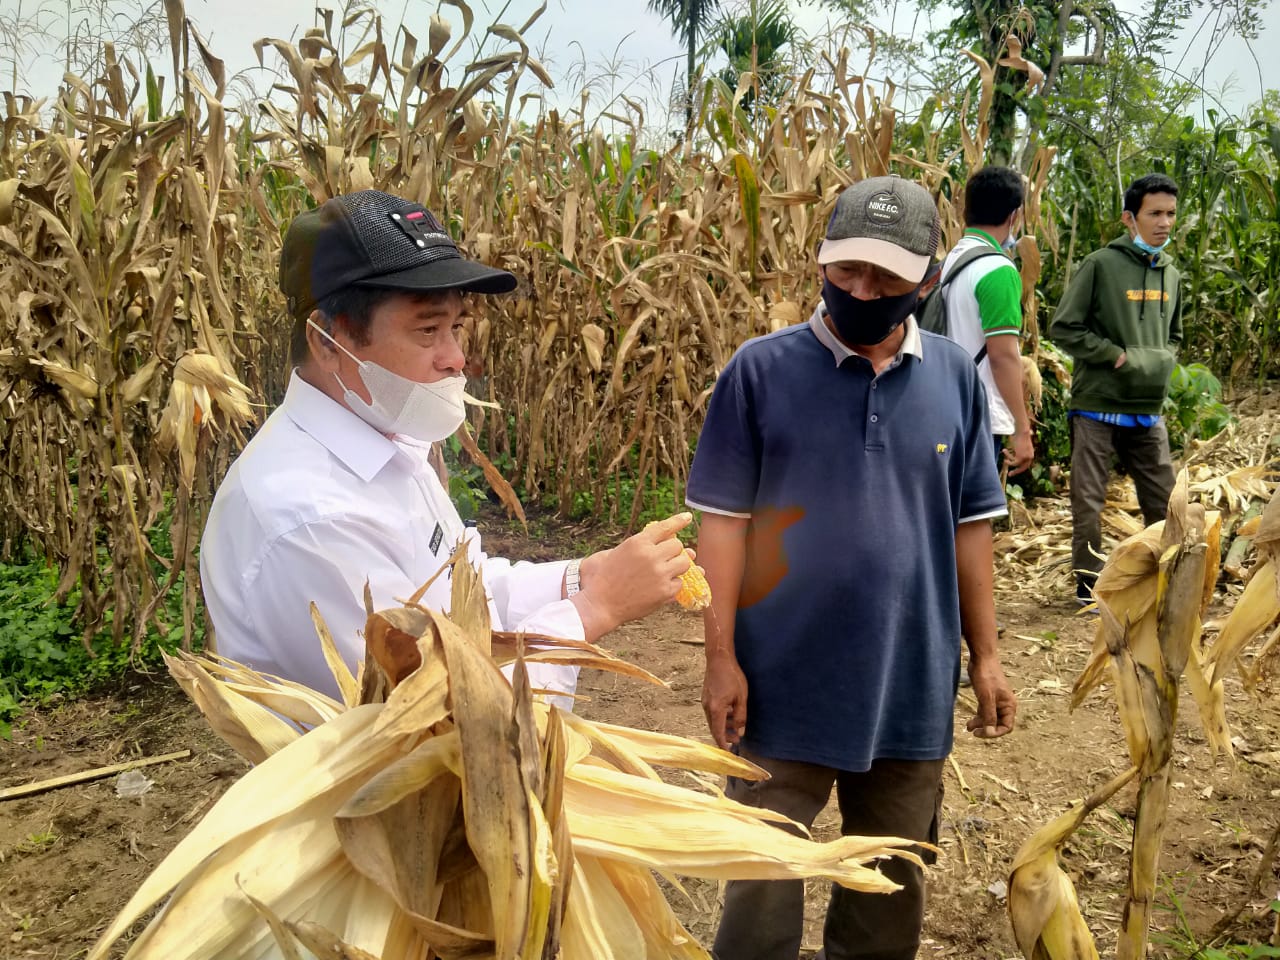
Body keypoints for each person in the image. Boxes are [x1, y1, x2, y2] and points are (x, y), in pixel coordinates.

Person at [687, 175, 1018, 960]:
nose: (862, 290)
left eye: (886, 278)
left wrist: (989, 657)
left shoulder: (954, 381)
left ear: (928, 280)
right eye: (846, 271)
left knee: (888, 886)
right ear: (821, 262)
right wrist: (720, 657)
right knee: (762, 880)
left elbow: (972, 527)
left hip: (911, 684)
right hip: (782, 685)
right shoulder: (759, 372)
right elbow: (723, 528)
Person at [200, 190, 694, 706]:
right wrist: (595, 608)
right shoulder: (307, 519)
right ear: (328, 341)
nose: (456, 358)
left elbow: (464, 593)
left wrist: (577, 577)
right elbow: (435, 716)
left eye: (455, 327)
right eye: (428, 330)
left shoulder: (389, 446)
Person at [1048, 173, 1181, 606]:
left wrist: (1161, 361)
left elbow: (1175, 334)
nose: (1164, 223)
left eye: (1170, 214)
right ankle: (1089, 586)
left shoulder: (1172, 274)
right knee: (1088, 499)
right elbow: (1065, 327)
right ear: (1130, 218)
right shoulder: (1101, 265)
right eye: (1154, 213)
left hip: (1148, 407)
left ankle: (1166, 579)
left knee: (1165, 500)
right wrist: (1114, 355)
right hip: (1097, 405)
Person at [939, 166, 1035, 475]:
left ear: (965, 210)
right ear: (1014, 216)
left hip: (943, 406)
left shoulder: (951, 260)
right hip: (979, 416)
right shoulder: (997, 270)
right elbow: (1003, 356)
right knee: (972, 516)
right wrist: (1022, 429)